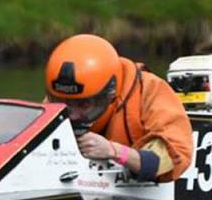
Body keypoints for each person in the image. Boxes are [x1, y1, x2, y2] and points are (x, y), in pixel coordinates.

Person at [44, 34, 193, 183]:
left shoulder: (150, 91)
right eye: (65, 104)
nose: (73, 116)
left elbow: (173, 158)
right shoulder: (58, 99)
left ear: (110, 94)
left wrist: (114, 151)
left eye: (84, 105)